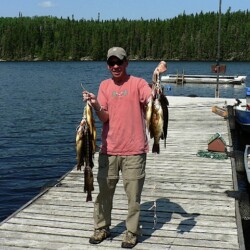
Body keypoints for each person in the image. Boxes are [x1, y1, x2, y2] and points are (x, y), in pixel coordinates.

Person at [82, 47, 152, 249]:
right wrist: (95, 104)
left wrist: (155, 90)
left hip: (134, 150)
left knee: (133, 196)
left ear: (126, 63)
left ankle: (131, 232)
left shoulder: (138, 83)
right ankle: (102, 227)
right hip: (109, 150)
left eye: (119, 62)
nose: (115, 66)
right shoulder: (104, 86)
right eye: (111, 63)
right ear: (107, 65)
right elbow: (105, 117)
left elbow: (149, 99)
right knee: (104, 193)